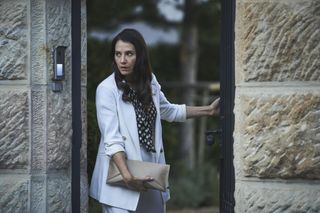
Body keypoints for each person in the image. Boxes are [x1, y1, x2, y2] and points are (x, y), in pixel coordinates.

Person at [89, 28, 220, 213]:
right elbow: (112, 139)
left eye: (129, 54)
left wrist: (209, 110)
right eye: (118, 54)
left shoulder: (149, 82)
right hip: (120, 175)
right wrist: (128, 177)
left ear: (140, 56)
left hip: (150, 170)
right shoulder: (106, 89)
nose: (123, 60)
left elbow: (168, 110)